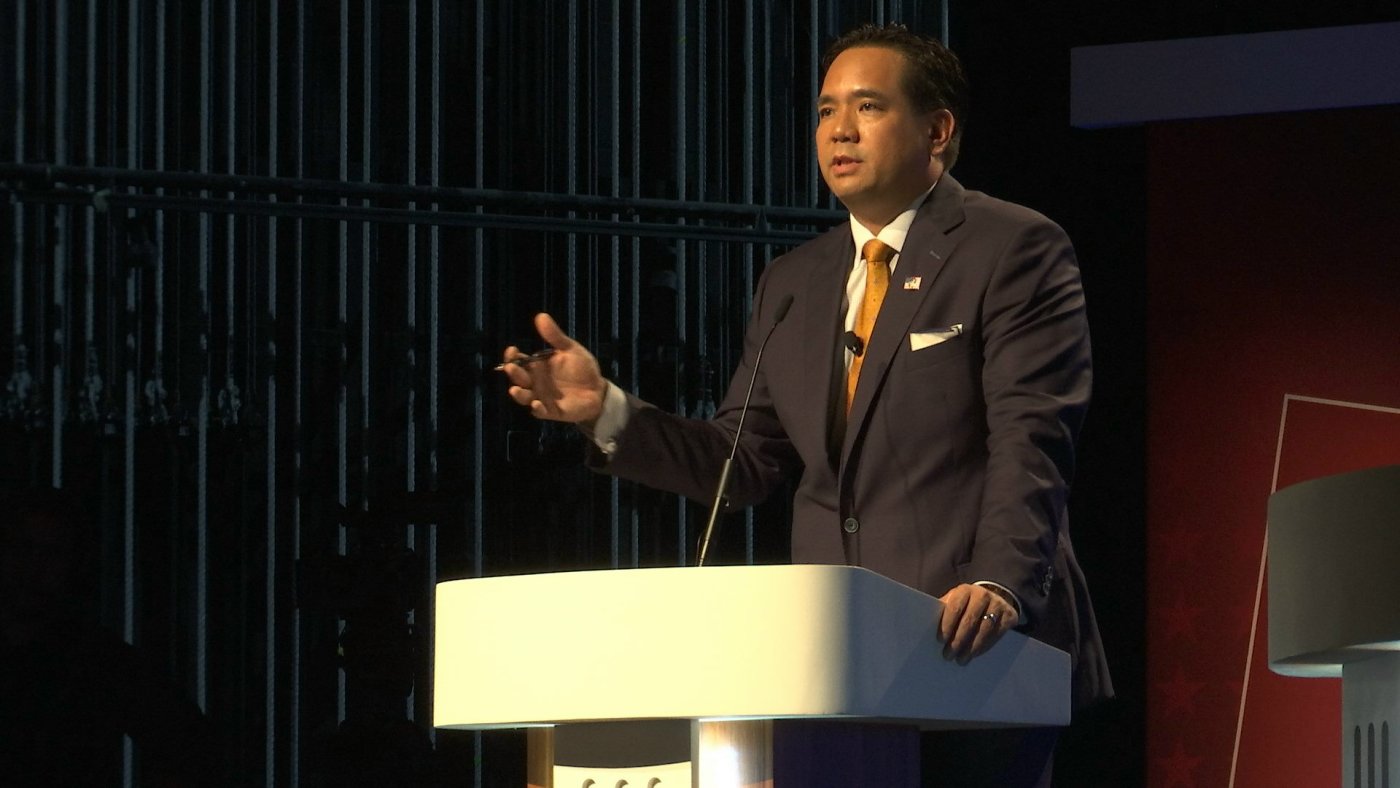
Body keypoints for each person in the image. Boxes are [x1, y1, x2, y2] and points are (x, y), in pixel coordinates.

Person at [501, 23, 1111, 786]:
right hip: (829, 666)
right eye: (825, 111)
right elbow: (745, 463)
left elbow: (1033, 438)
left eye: (867, 107)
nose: (839, 131)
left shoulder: (1012, 246)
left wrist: (997, 582)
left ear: (938, 129)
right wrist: (605, 411)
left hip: (973, 651)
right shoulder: (794, 281)